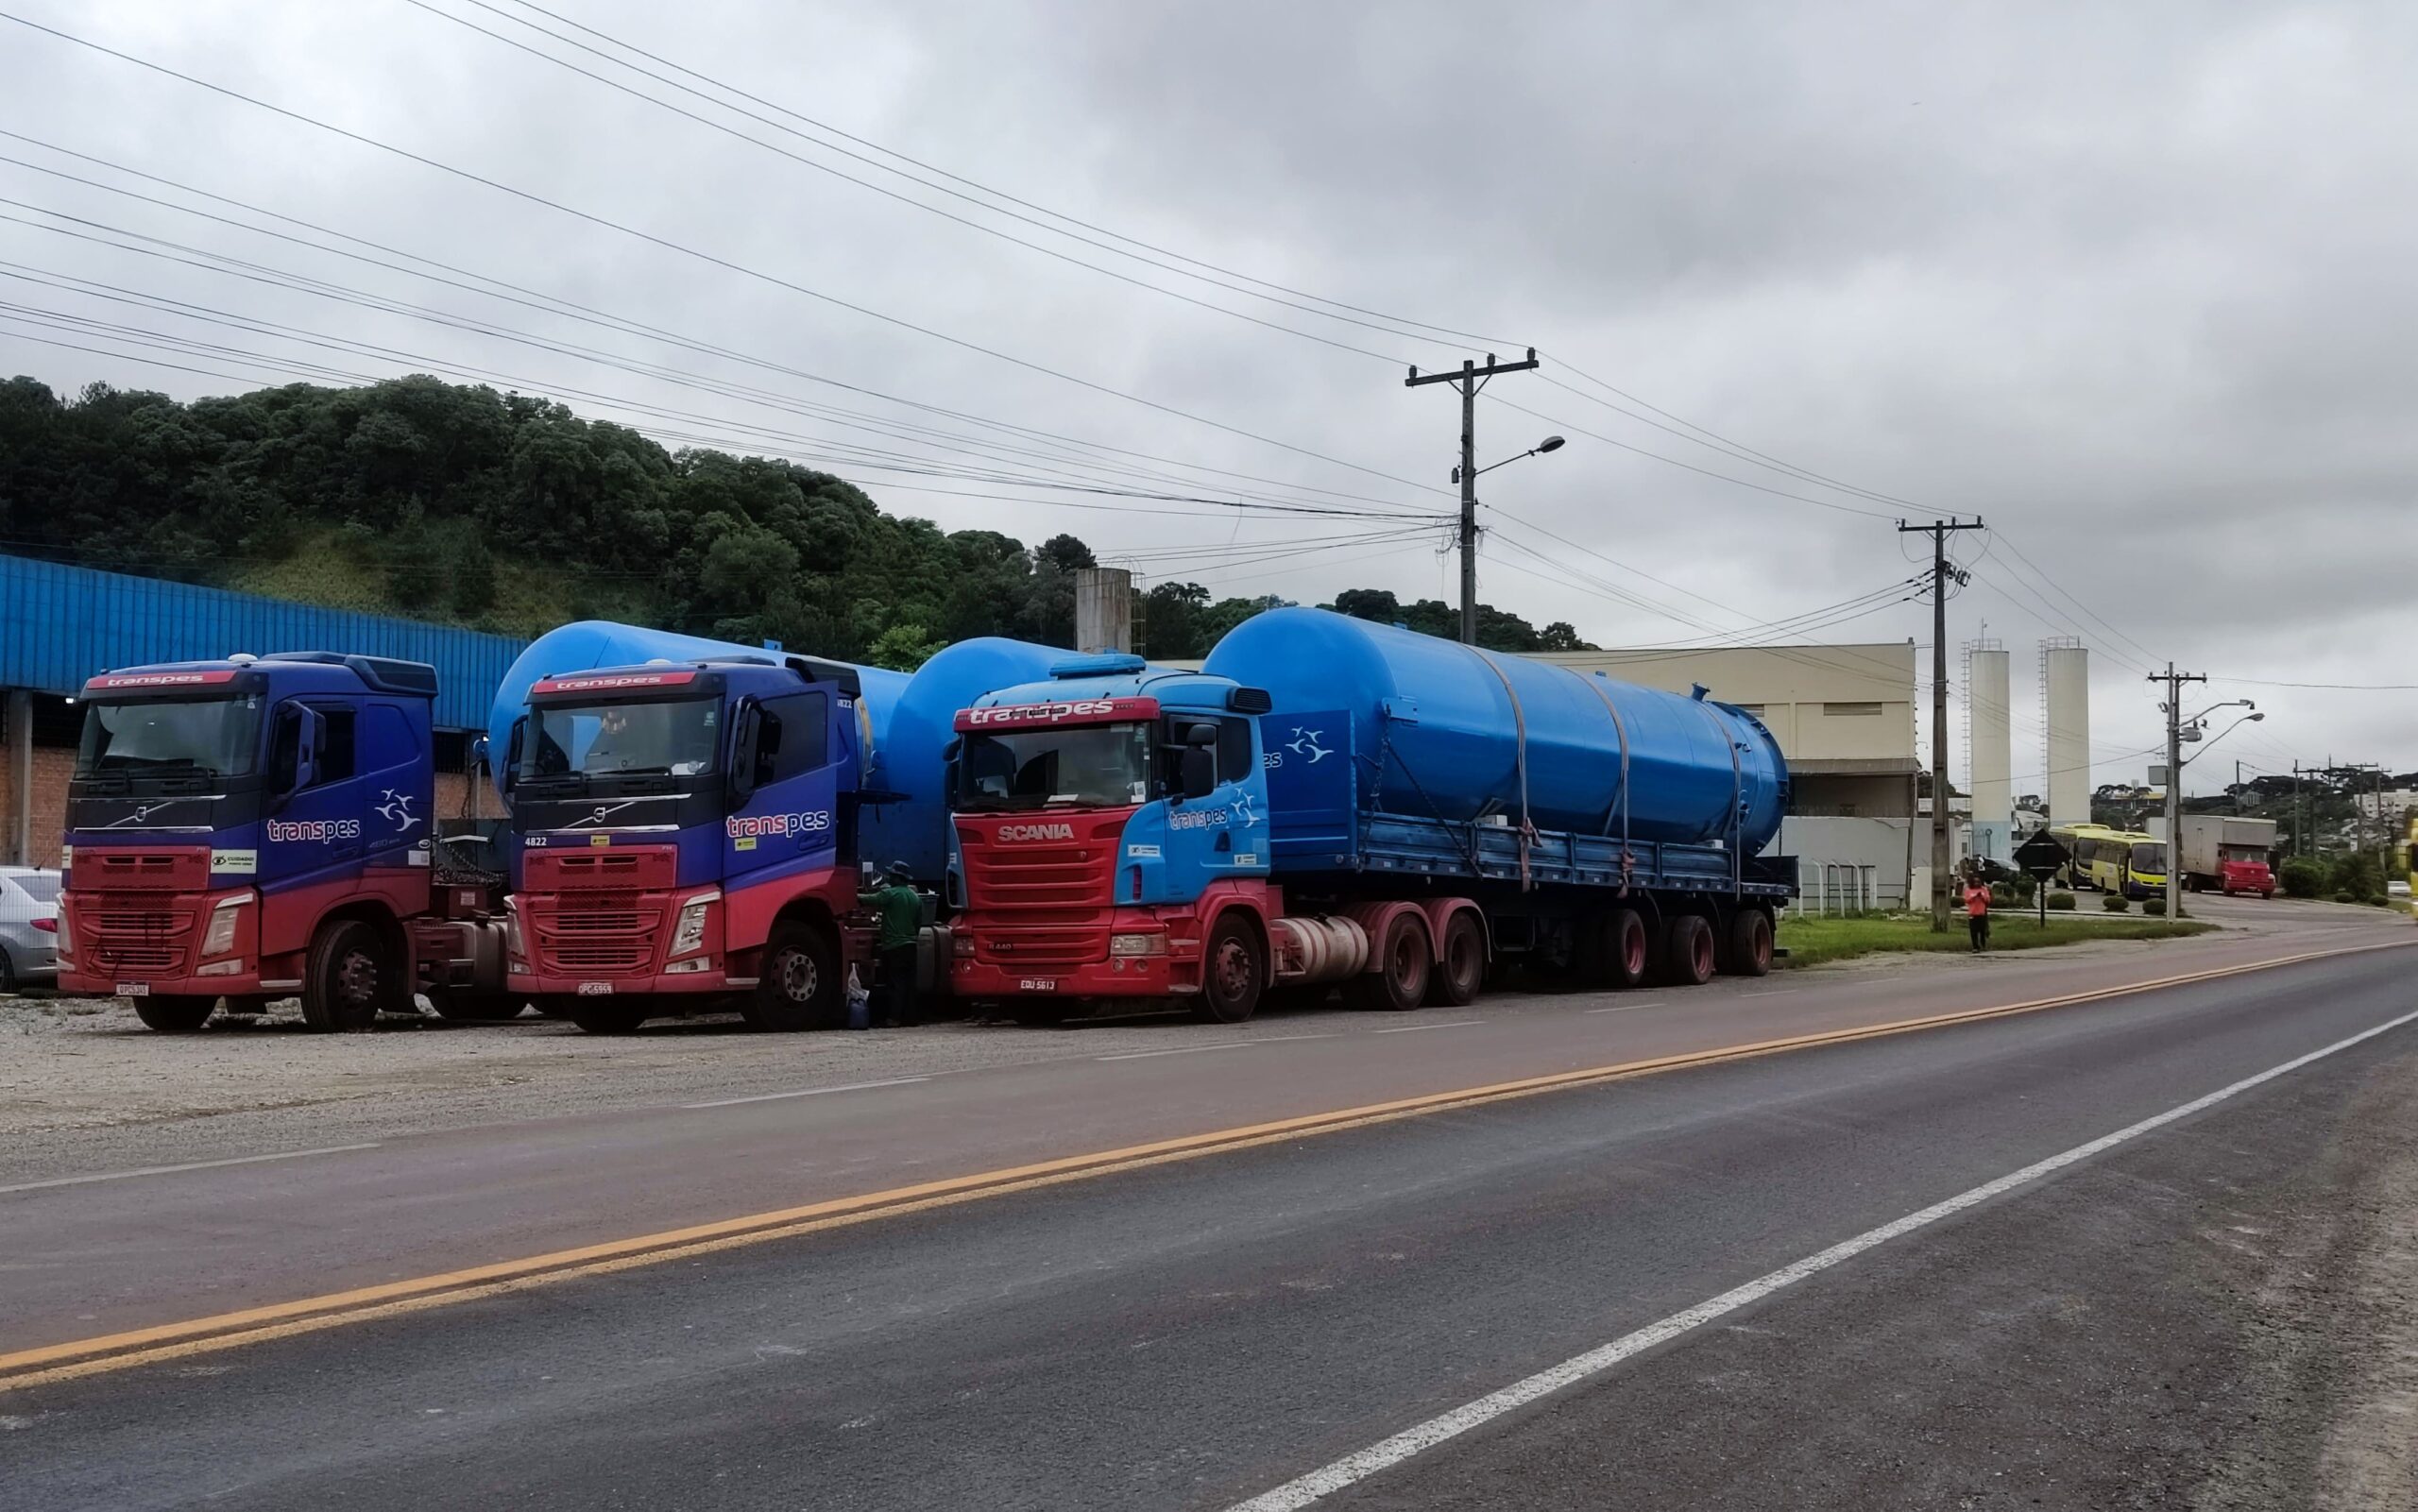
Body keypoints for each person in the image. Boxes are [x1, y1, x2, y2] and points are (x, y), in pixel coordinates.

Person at [858, 861, 925, 1028]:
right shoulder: (915, 898)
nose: (889, 877)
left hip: (894, 947)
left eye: (892, 875)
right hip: (911, 945)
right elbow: (918, 923)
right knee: (910, 984)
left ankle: (893, 1018)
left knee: (895, 984)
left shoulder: (890, 894)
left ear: (897, 878)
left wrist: (852, 894)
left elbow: (869, 900)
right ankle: (911, 1018)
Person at [1964, 871, 1992, 951]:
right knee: (1973, 931)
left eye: (1978, 882)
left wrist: (1982, 897)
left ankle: (1983, 945)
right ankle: (1975, 947)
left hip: (1981, 913)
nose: (1977, 883)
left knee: (1982, 931)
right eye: (1975, 882)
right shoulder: (1968, 890)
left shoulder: (1984, 889)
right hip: (1973, 913)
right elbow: (1967, 900)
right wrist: (1974, 897)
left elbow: (1988, 900)